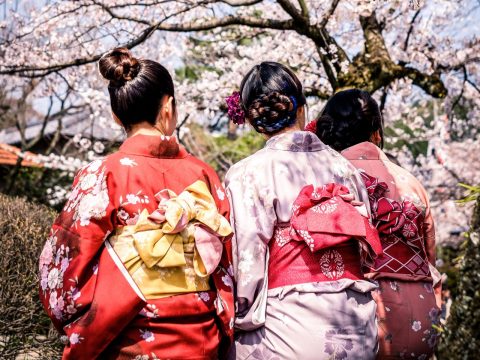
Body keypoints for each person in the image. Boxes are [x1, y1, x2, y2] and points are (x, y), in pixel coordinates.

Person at [38, 48, 235, 360]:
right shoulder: (203, 174)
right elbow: (227, 264)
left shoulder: (101, 175)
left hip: (129, 342)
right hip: (200, 340)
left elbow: (64, 269)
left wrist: (105, 304)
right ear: (168, 107)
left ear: (116, 115)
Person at [224, 62, 382, 360]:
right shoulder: (344, 168)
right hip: (355, 320)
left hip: (288, 328)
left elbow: (246, 258)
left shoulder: (248, 173)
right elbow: (366, 253)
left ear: (254, 120)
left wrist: (242, 316)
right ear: (302, 108)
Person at [312, 89, 442, 360]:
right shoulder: (411, 183)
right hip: (421, 317)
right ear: (376, 133)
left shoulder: (325, 179)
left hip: (357, 316)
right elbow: (430, 257)